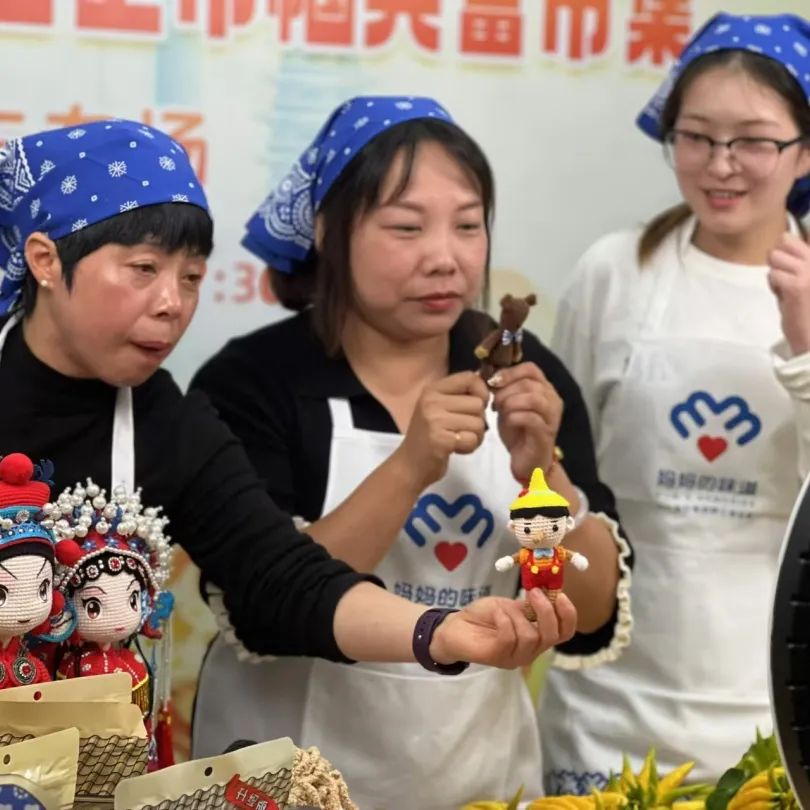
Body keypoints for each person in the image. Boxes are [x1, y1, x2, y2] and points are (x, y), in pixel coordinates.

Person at [0, 119, 578, 718]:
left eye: (191, 278)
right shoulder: (254, 379)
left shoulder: (165, 420)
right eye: (144, 269)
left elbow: (279, 575)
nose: (172, 304)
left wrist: (439, 631)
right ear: (46, 260)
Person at [190, 96, 633, 808]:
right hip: (279, 782)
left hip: (478, 782)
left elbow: (591, 609)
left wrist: (544, 477)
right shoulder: (253, 383)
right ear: (330, 232)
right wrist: (409, 466)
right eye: (406, 227)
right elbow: (267, 609)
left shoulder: (527, 374)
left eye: (468, 225)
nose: (445, 258)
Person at [542, 12, 810, 793]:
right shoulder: (614, 271)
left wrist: (805, 348)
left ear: (804, 151)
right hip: (604, 705)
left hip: (769, 708)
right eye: (696, 137)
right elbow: (560, 470)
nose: (722, 165)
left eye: (753, 141)